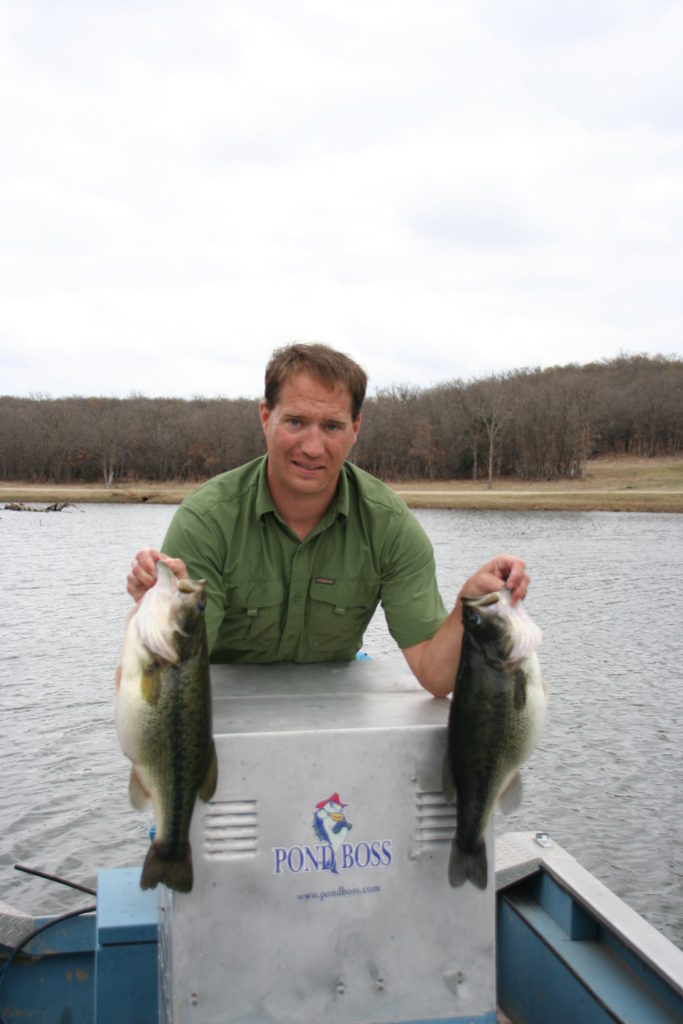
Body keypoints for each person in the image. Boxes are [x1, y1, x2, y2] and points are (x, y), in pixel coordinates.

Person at [127, 343, 528, 697]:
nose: (313, 447)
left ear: (355, 429)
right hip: (217, 719)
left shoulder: (390, 527)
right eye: (296, 422)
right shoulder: (206, 521)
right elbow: (162, 682)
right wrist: (152, 608)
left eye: (332, 426)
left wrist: (472, 603)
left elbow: (435, 676)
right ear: (266, 417)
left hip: (334, 717)